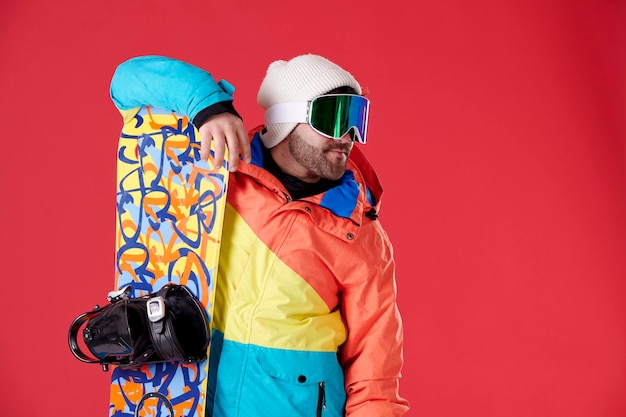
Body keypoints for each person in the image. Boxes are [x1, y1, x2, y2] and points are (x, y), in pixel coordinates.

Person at [110, 54, 409, 417]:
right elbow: (126, 82)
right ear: (286, 120)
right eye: (333, 118)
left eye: (355, 119)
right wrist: (207, 105)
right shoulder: (217, 173)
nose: (347, 137)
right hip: (187, 399)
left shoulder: (359, 232)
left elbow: (375, 378)